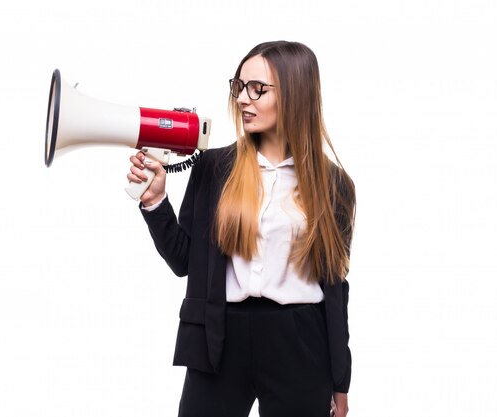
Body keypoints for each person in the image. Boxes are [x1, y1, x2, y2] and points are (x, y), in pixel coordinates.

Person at [127, 40, 356, 417]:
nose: (243, 100)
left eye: (257, 89)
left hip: (300, 343)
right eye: (239, 86)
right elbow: (186, 261)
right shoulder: (214, 168)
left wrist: (340, 382)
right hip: (220, 336)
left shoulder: (334, 186)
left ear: (296, 95)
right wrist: (155, 202)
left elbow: (336, 289)